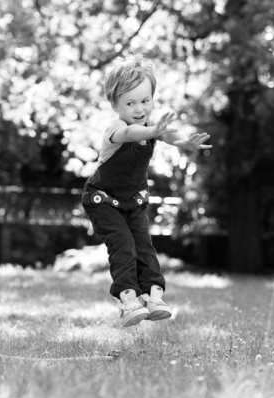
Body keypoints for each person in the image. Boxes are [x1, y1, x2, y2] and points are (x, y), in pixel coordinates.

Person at [82, 54, 212, 328]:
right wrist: (154, 130)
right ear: (115, 104)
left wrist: (184, 143)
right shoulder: (116, 128)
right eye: (130, 103)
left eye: (145, 101)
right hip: (102, 200)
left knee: (145, 247)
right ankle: (128, 300)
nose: (140, 108)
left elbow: (167, 134)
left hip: (133, 200)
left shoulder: (154, 126)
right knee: (124, 245)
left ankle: (153, 296)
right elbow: (132, 134)